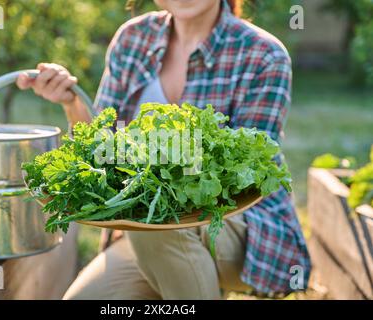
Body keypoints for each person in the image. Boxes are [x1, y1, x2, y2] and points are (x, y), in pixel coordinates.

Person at [17, 0, 311, 299]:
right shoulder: (133, 38)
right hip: (143, 232)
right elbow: (100, 147)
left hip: (245, 231)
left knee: (160, 224)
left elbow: (248, 174)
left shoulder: (263, 54)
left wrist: (157, 168)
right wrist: (72, 103)